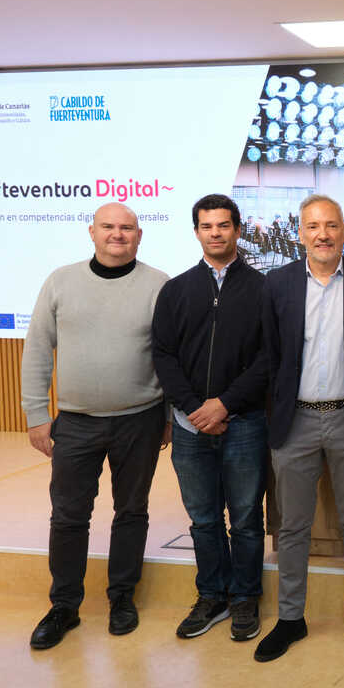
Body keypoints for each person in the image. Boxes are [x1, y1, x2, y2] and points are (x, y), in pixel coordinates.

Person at [21, 202, 170, 650]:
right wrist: (36, 414)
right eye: (108, 226)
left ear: (139, 235)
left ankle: (122, 597)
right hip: (76, 423)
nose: (117, 234)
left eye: (126, 227)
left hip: (140, 420)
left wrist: (167, 416)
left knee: (132, 511)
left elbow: (170, 357)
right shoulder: (60, 282)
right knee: (68, 515)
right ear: (92, 232)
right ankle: (64, 606)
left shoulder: (159, 285)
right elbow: (37, 349)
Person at [255, 194, 344, 664]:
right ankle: (290, 618)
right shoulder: (277, 284)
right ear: (300, 233)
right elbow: (271, 354)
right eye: (313, 226)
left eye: (331, 225)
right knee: (292, 527)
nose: (323, 234)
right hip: (294, 420)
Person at [152, 194, 268, 643]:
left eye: (223, 225)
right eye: (206, 226)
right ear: (196, 232)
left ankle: (245, 597)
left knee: (246, 519)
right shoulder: (176, 290)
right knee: (203, 519)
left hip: (245, 423)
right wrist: (194, 409)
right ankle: (212, 595)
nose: (215, 233)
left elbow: (269, 358)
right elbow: (163, 355)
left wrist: (225, 404)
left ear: (237, 229)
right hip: (189, 426)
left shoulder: (263, 289)